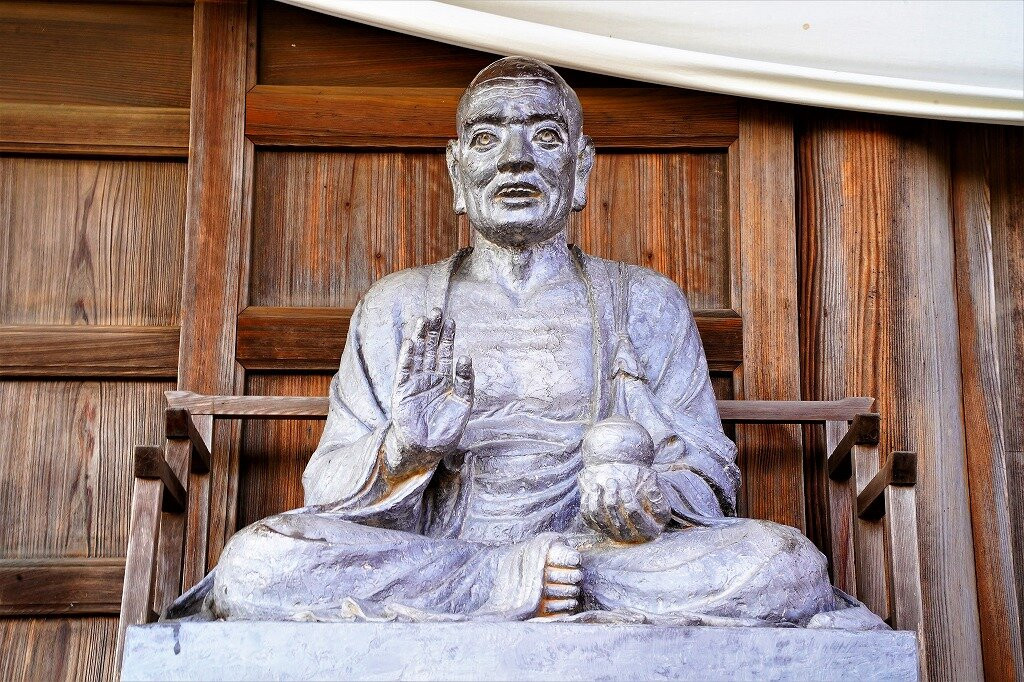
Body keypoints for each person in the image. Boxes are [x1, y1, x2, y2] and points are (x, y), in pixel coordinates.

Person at [180, 57, 877, 628]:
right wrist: (405, 450)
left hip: (601, 561)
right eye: (487, 139)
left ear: (580, 168)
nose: (515, 159)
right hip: (451, 559)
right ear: (457, 172)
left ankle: (543, 581)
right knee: (258, 564)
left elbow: (711, 481)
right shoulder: (397, 306)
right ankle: (512, 584)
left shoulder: (644, 302)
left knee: (783, 564)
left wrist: (645, 492)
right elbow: (324, 491)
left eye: (544, 137)